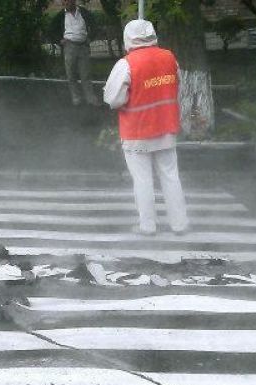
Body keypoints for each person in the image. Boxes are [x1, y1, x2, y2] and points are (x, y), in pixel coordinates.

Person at [102, 19, 188, 235]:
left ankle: (148, 226)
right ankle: (180, 224)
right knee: (170, 176)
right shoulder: (169, 58)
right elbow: (178, 87)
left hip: (137, 131)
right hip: (166, 127)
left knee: (142, 180)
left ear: (128, 38)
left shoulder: (127, 64)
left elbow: (113, 99)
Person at [48, 0, 98, 106]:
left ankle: (90, 98)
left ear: (73, 1)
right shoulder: (61, 15)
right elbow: (51, 30)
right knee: (71, 73)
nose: (65, 3)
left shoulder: (83, 12)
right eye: (64, 1)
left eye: (68, 1)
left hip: (83, 45)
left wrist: (90, 38)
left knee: (86, 73)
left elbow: (94, 24)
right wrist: (59, 40)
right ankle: (76, 98)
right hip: (69, 46)